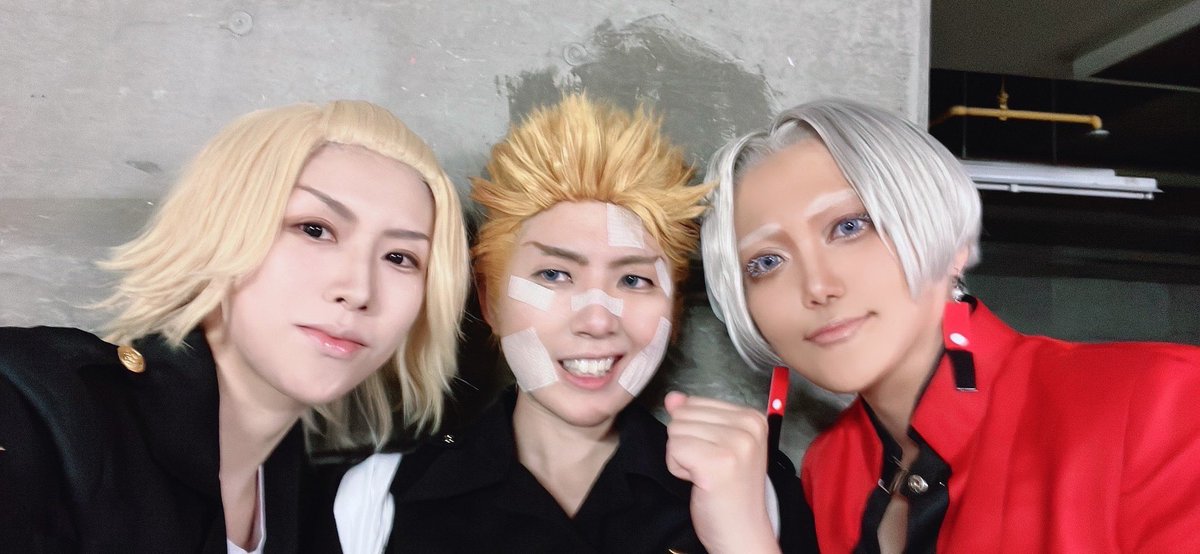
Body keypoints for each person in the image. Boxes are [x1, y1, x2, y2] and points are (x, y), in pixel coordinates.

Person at [685, 98, 1200, 552]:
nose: (817, 286)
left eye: (849, 226)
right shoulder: (831, 467)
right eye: (766, 262)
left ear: (949, 240)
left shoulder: (1163, 400)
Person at [314, 94, 811, 553]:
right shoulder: (373, 501)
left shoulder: (753, 490)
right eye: (554, 274)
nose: (597, 320)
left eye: (634, 280)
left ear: (674, 312)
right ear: (489, 301)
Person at [0, 100, 470, 552]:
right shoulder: (36, 408)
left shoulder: (329, 506)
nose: (359, 289)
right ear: (221, 227)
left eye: (400, 257)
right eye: (314, 229)